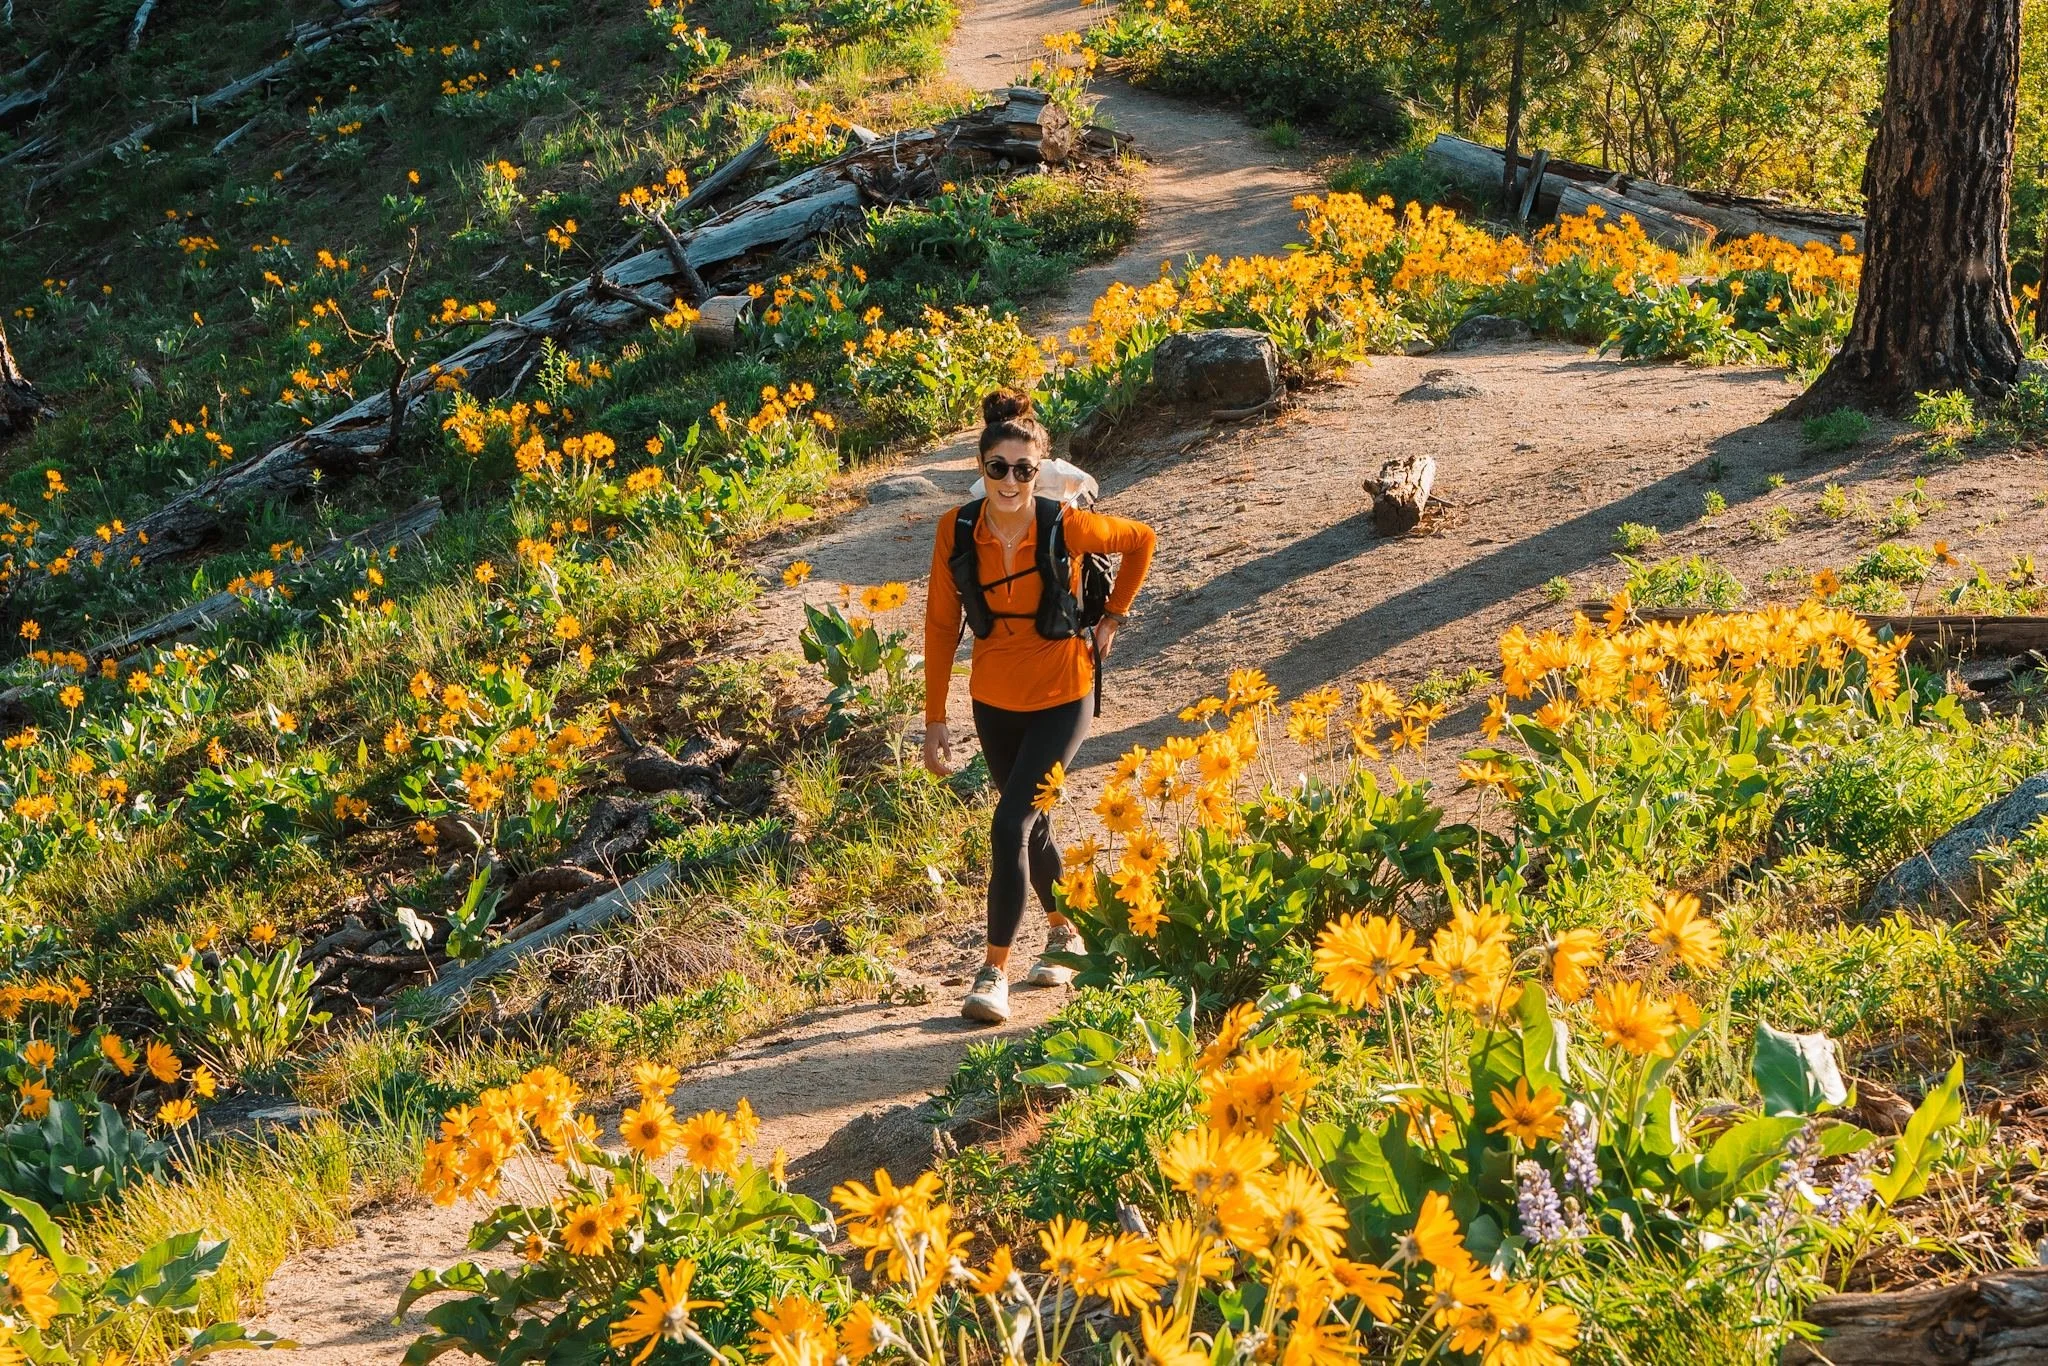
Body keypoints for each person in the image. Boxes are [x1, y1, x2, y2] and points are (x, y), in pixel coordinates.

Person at [923, 390, 1156, 1023]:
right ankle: (1066, 932)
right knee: (1037, 825)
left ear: (1039, 470)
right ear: (982, 467)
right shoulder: (956, 529)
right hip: (992, 701)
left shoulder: (1066, 524)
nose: (1010, 481)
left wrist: (1112, 619)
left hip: (1064, 695)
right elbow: (942, 626)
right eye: (997, 468)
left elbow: (1141, 540)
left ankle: (991, 972)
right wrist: (935, 719)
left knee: (1011, 825)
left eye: (1024, 470)